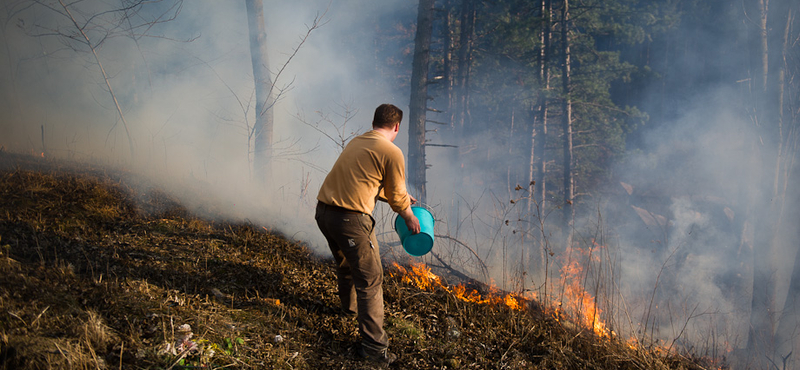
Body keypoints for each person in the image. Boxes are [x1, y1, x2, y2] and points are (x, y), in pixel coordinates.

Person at [315, 103, 421, 366]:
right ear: (397, 127)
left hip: (324, 213)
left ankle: (348, 311)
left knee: (346, 265)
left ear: (374, 122)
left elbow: (365, 182)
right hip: (350, 220)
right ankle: (375, 349)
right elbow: (397, 195)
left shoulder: (358, 141)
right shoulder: (392, 151)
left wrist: (397, 198)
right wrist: (409, 215)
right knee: (371, 279)